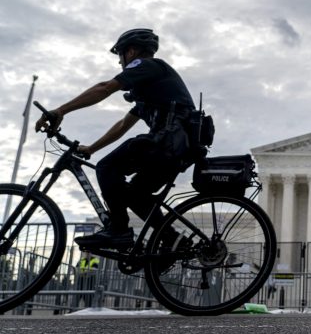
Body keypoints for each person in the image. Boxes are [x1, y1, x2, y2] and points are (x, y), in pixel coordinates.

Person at [35, 29, 196, 250]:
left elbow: (105, 88)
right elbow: (122, 125)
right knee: (134, 195)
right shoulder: (152, 92)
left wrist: (60, 110)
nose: (120, 64)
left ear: (130, 52)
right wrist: (92, 148)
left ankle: (119, 231)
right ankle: (172, 240)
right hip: (176, 149)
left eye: (120, 57)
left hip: (166, 143)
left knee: (107, 167)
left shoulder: (147, 65)